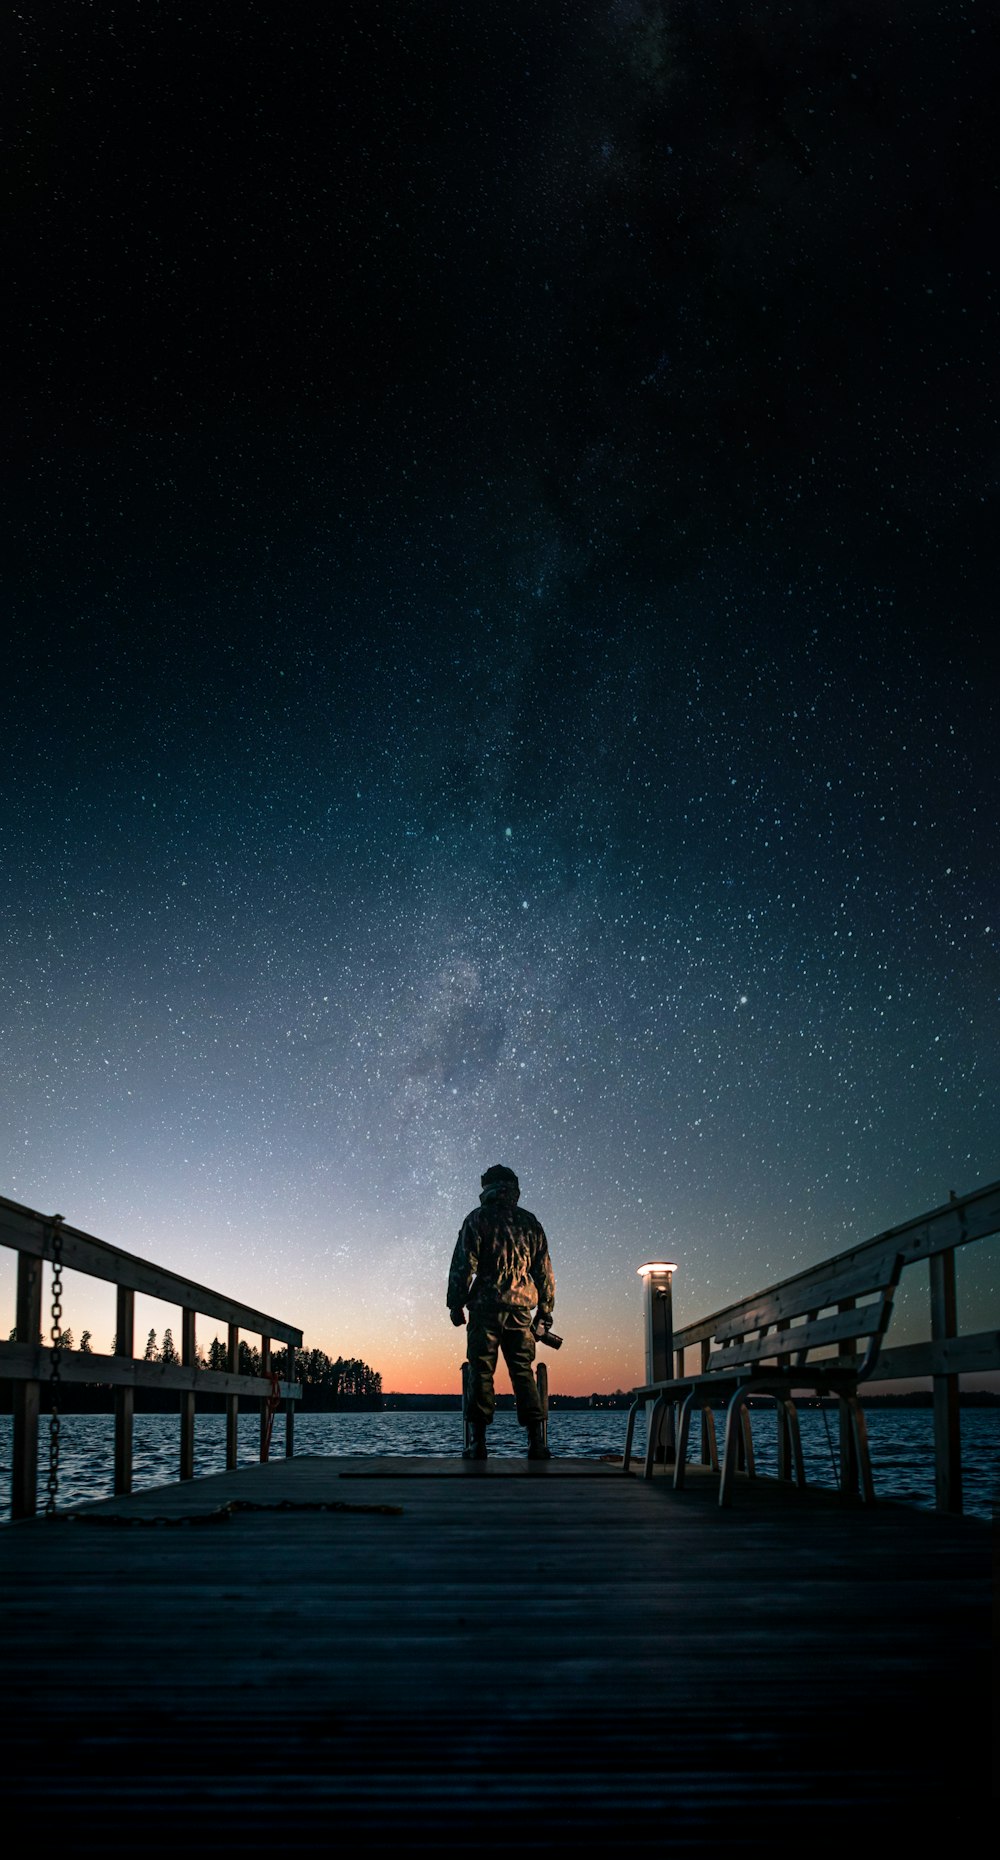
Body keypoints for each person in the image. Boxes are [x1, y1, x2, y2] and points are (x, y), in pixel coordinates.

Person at [447, 1163, 556, 1461]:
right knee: (523, 1373)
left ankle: (478, 1444)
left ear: (487, 1187)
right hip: (521, 1311)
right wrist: (545, 1312)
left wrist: (455, 1304)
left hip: (485, 1309)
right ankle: (536, 1442)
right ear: (514, 1189)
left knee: (481, 1372)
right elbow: (544, 1272)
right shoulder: (529, 1222)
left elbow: (462, 1265)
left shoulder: (477, 1219)